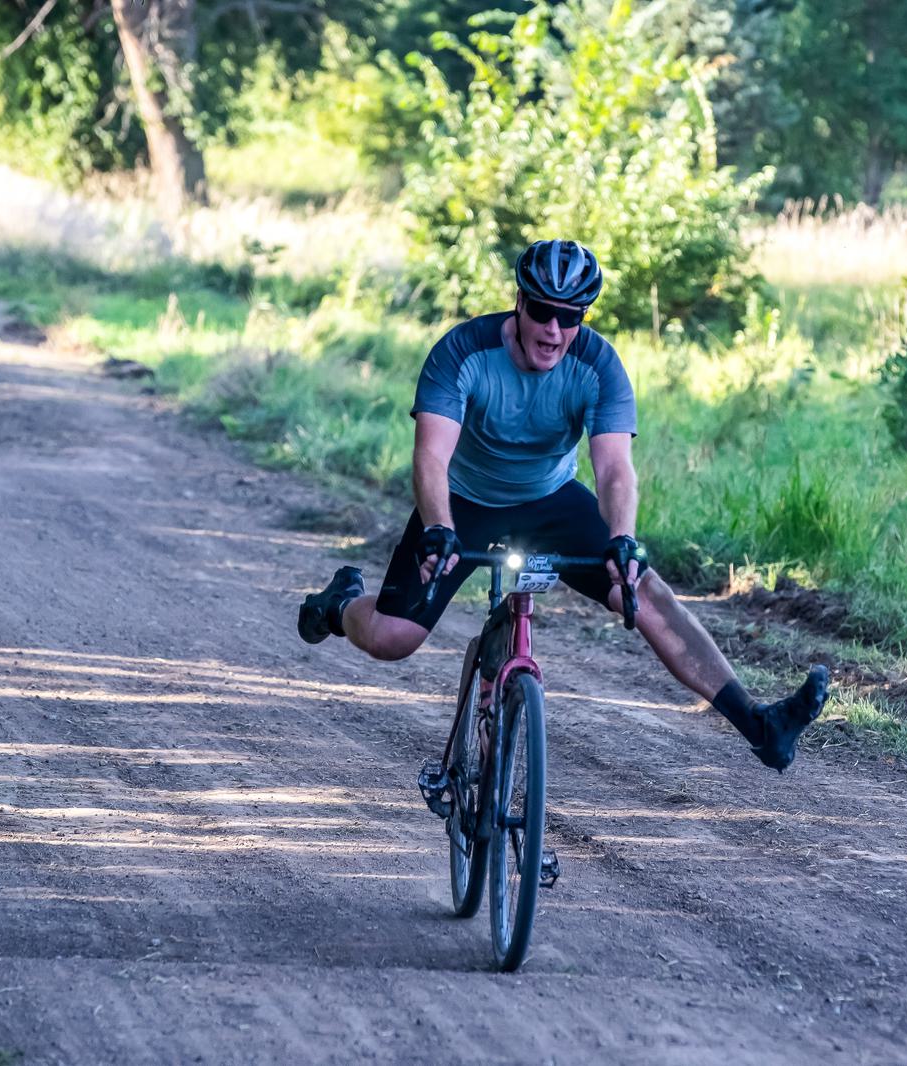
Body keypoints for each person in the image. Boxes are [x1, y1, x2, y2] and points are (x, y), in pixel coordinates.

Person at [298, 239, 828, 771]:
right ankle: (341, 604)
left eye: (570, 316)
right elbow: (430, 457)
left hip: (550, 500)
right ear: (520, 304)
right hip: (464, 503)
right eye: (543, 312)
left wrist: (623, 538)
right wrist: (439, 526)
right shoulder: (462, 352)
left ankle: (759, 724)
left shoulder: (598, 365)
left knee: (640, 590)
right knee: (394, 638)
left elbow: (615, 467)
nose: (554, 330)